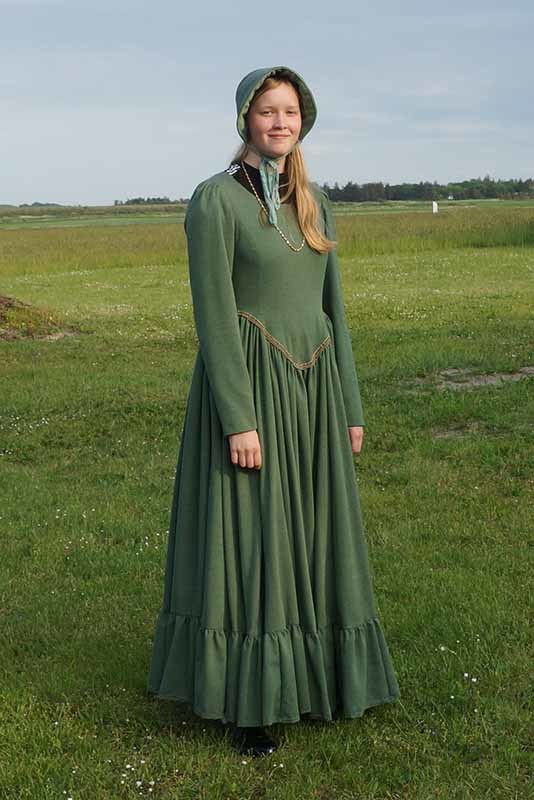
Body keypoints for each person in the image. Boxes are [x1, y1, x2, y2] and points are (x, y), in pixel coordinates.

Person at [146, 65, 401, 758]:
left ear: (302, 120)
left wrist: (349, 405)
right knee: (255, 540)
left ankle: (318, 679)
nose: (279, 122)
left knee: (314, 536)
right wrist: (238, 417)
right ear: (245, 120)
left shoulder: (313, 204)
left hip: (315, 393)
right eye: (267, 111)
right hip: (254, 390)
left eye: (289, 111)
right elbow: (215, 315)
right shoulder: (215, 201)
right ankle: (248, 704)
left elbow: (333, 311)